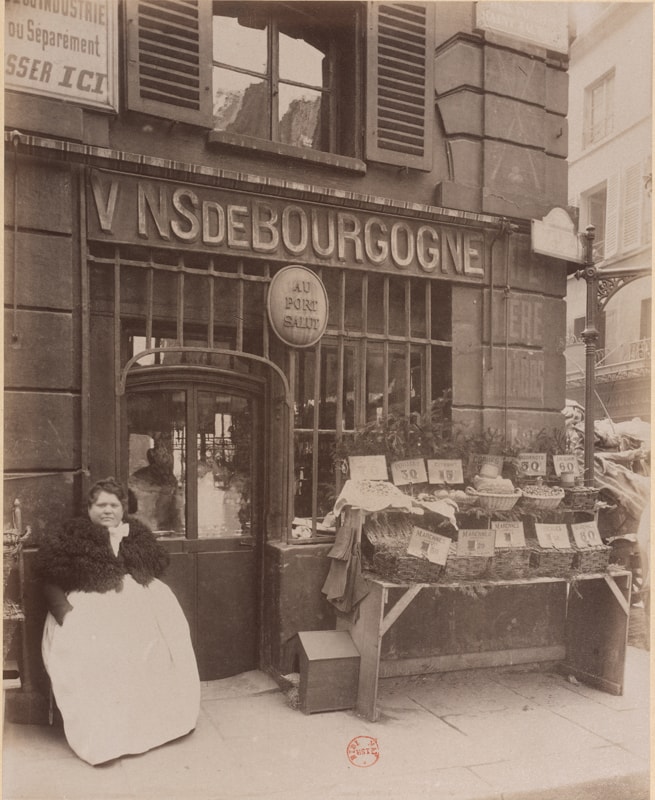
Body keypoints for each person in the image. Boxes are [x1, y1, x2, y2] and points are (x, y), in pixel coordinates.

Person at [35, 477, 200, 765]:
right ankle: (106, 735)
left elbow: (153, 569)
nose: (107, 510)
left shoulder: (136, 535)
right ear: (89, 508)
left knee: (156, 648)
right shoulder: (71, 537)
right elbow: (50, 579)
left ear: (123, 509)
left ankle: (151, 726)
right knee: (100, 656)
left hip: (139, 609)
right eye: (101, 505)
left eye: (114, 505)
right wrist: (65, 614)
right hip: (87, 607)